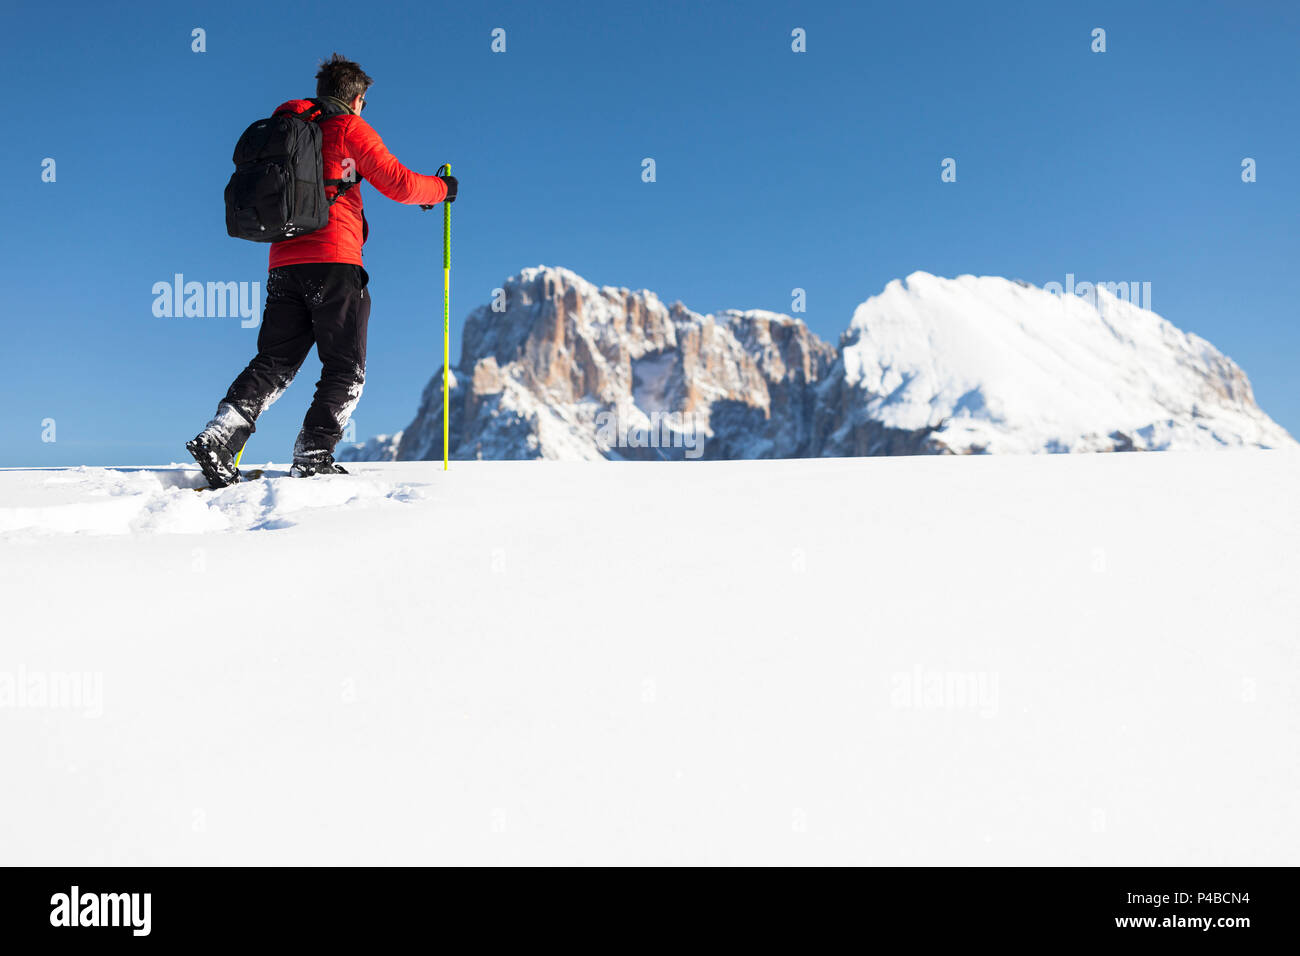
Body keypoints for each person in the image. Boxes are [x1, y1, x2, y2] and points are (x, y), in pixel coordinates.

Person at [188, 53, 456, 486]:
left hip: (283, 263)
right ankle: (313, 453)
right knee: (345, 367)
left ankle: (220, 436)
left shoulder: (290, 130)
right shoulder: (350, 128)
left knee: (275, 360)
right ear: (358, 97)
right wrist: (442, 189)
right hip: (336, 262)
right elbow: (401, 183)